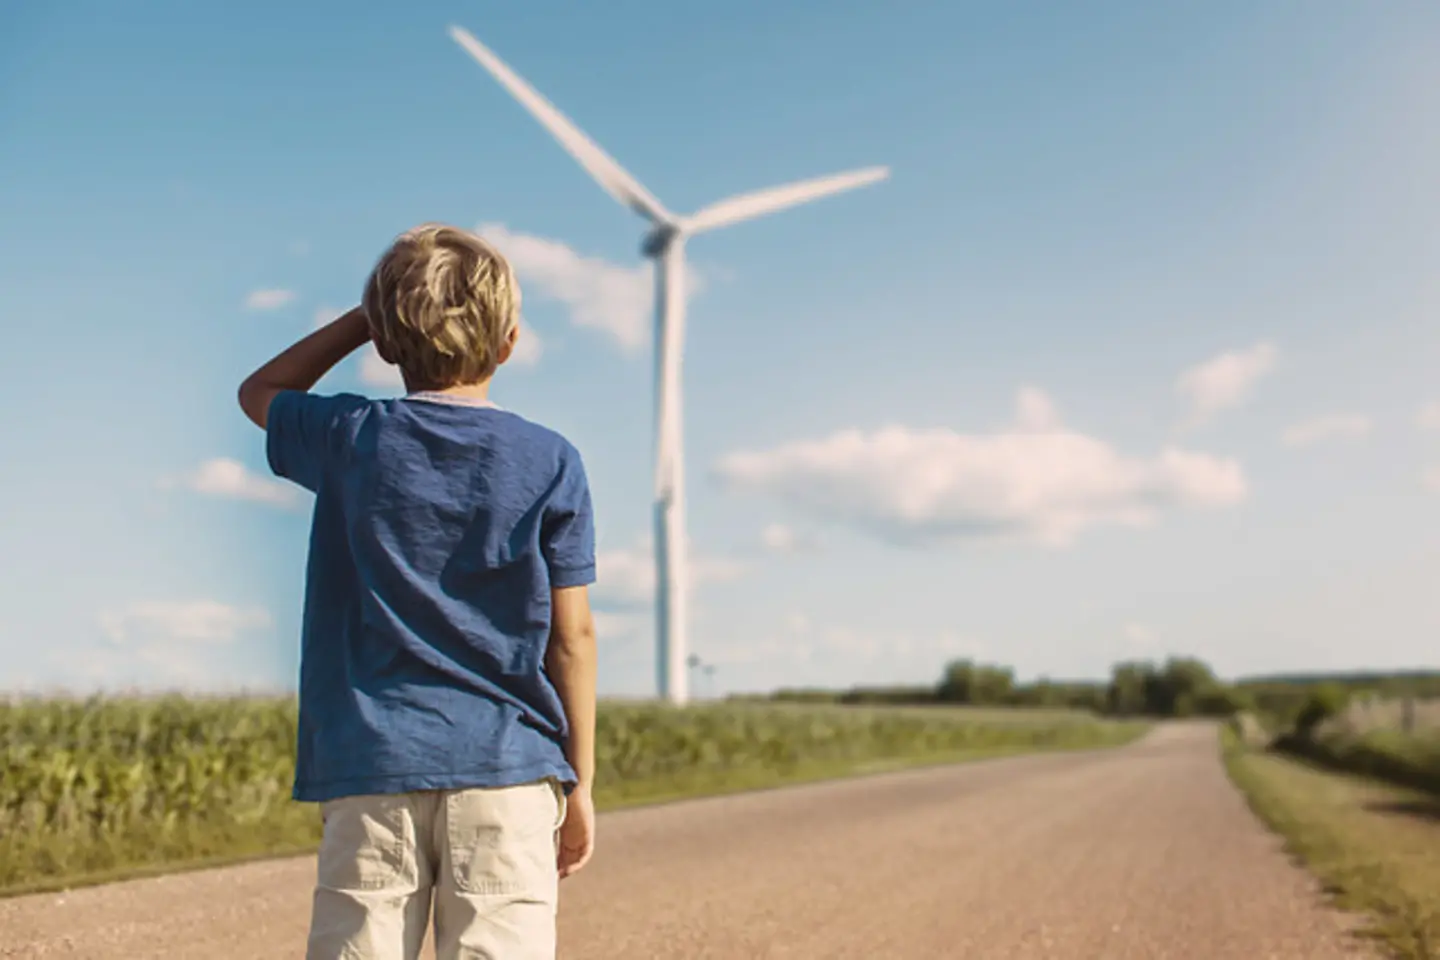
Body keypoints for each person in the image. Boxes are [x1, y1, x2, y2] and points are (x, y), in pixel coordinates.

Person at [237, 223, 599, 960]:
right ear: (508, 341)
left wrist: (364, 319)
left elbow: (260, 391)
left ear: (387, 341)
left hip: (375, 764)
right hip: (509, 768)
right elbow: (572, 639)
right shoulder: (552, 459)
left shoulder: (349, 435)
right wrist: (581, 782)